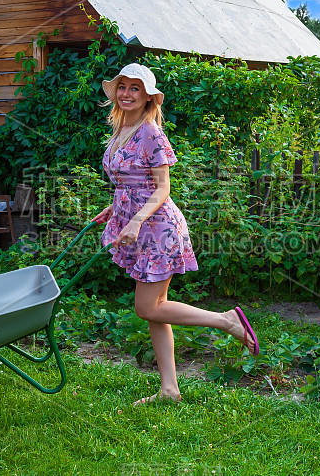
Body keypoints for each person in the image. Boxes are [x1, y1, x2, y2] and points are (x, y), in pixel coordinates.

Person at [93, 63, 260, 405]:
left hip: (156, 228)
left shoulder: (151, 133)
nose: (126, 93)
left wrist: (136, 220)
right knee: (156, 308)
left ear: (148, 97)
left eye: (135, 89)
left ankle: (226, 321)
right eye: (122, 87)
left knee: (147, 308)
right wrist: (116, 208)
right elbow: (132, 181)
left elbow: (163, 188)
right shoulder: (121, 128)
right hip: (137, 224)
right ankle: (169, 389)